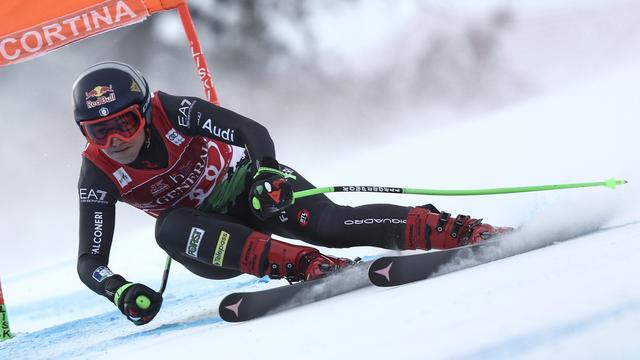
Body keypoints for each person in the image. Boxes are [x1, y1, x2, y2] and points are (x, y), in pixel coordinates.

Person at [74, 61, 508, 326]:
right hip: (212, 243)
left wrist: (265, 174)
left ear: (145, 112)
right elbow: (90, 261)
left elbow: (250, 131)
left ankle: (458, 231)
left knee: (331, 224)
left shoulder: (172, 109)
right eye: (98, 131)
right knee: (169, 228)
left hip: (250, 190)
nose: (114, 140)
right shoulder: (98, 173)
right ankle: (307, 265)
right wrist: (120, 290)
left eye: (124, 124)